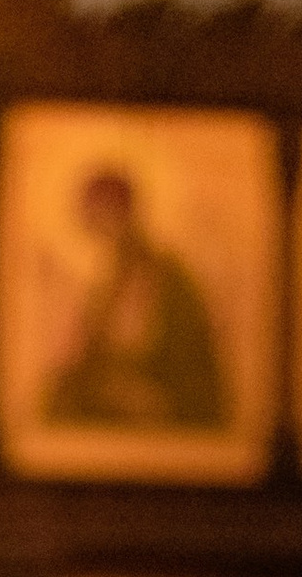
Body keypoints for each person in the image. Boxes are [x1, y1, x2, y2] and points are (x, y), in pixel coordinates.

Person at [41, 164, 225, 430]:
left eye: (102, 219)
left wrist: (140, 392)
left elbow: (182, 366)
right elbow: (94, 355)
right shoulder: (109, 281)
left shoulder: (165, 278)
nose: (100, 234)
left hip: (165, 400)